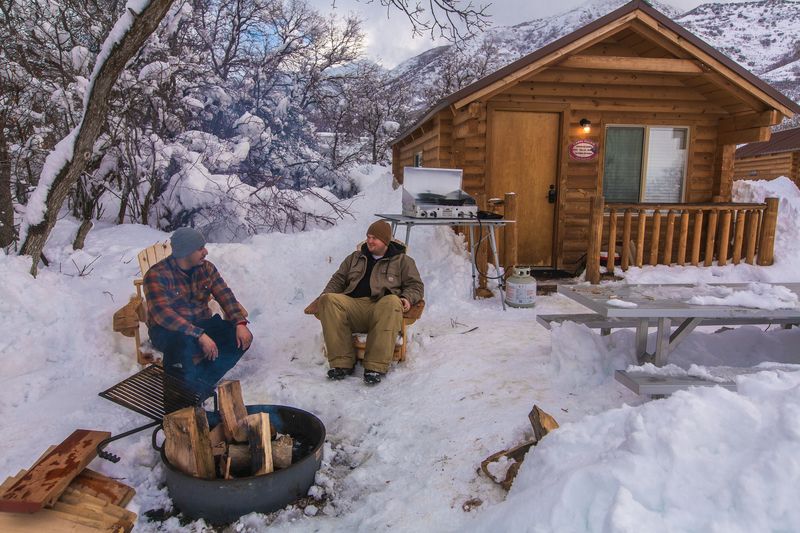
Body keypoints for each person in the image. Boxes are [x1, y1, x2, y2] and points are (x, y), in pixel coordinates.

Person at [143, 228, 253, 395]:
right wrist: (199, 335)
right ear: (185, 252)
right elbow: (162, 314)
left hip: (203, 325)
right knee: (181, 345)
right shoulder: (157, 275)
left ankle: (200, 384)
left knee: (240, 338)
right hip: (169, 331)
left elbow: (225, 295)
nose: (206, 252)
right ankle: (178, 395)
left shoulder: (207, 268)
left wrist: (240, 322)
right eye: (200, 248)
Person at [317, 220, 424, 385]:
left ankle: (375, 367)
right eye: (368, 236)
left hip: (383, 310)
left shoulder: (403, 261)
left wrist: (407, 299)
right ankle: (342, 364)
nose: (370, 241)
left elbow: (415, 286)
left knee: (391, 301)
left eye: (375, 238)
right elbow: (338, 280)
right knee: (329, 299)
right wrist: (324, 297)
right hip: (355, 307)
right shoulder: (354, 258)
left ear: (385, 241)